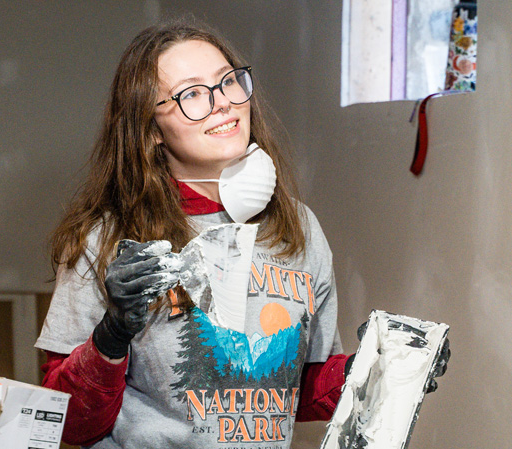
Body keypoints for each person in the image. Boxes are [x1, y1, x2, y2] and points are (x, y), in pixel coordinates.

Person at [35, 19, 447, 449]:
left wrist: (372, 370)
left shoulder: (300, 228)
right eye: (192, 93)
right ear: (151, 130)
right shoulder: (105, 239)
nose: (222, 104)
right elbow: (67, 423)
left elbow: (292, 390)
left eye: (228, 82)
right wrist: (113, 333)